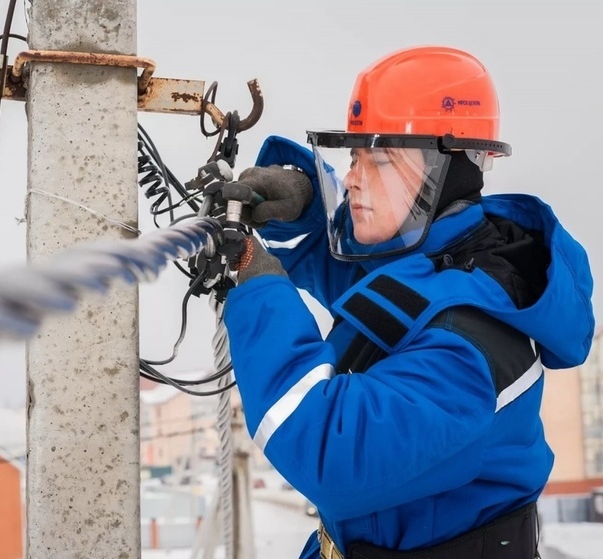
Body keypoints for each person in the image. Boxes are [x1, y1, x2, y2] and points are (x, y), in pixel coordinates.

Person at [224, 45, 595, 559]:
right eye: (354, 156)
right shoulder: (447, 264)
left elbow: (327, 449)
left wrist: (259, 286)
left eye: (379, 159)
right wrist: (308, 209)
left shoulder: (470, 346)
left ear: (446, 174)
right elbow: (374, 297)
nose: (353, 176)